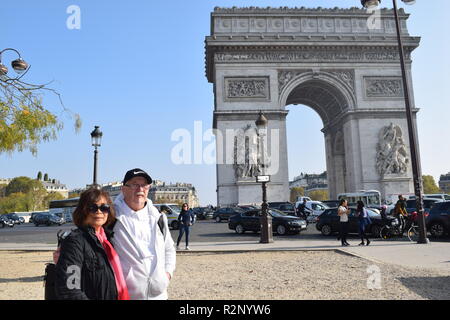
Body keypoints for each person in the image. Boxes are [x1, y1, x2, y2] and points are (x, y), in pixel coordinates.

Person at [110, 168, 176, 300]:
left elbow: (169, 249)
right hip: (126, 295)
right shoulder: (112, 217)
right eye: (135, 184)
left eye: (144, 185)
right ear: (123, 189)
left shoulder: (158, 218)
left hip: (159, 295)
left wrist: (167, 274)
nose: (140, 189)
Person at [55, 188, 129, 300]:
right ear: (83, 210)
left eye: (104, 208)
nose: (99, 212)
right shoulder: (75, 241)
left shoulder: (107, 239)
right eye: (93, 208)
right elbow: (69, 289)